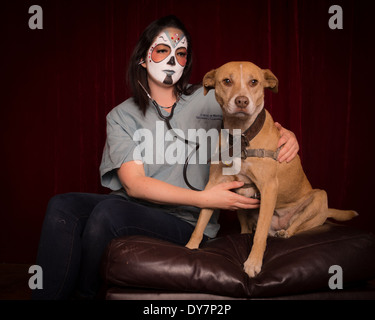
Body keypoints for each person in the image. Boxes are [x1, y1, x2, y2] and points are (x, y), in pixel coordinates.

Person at [32, 15, 299, 300]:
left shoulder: (212, 96)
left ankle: (85, 295)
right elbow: (134, 185)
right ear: (143, 58)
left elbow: (257, 119)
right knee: (62, 205)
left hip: (188, 220)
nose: (172, 58)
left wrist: (288, 135)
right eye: (162, 50)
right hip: (138, 206)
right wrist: (205, 198)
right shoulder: (121, 116)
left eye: (181, 53)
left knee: (107, 213)